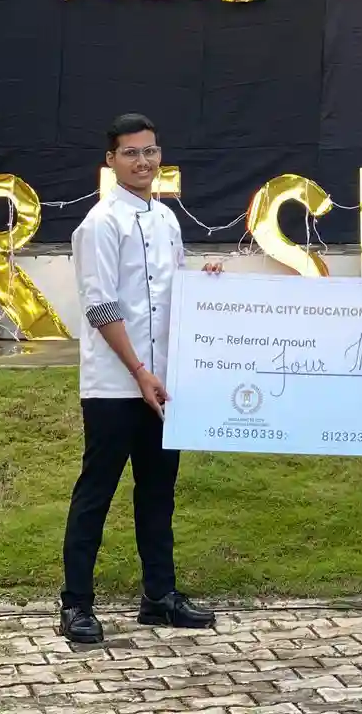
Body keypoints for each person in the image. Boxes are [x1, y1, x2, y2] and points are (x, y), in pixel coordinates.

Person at [59, 113, 221, 644]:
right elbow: (101, 307)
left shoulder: (167, 219)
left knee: (158, 492)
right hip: (114, 385)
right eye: (131, 152)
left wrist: (206, 281)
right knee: (96, 493)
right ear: (111, 160)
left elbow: (173, 293)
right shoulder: (100, 224)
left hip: (164, 383)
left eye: (150, 151)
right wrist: (138, 371)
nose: (143, 161)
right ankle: (76, 604)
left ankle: (159, 597)